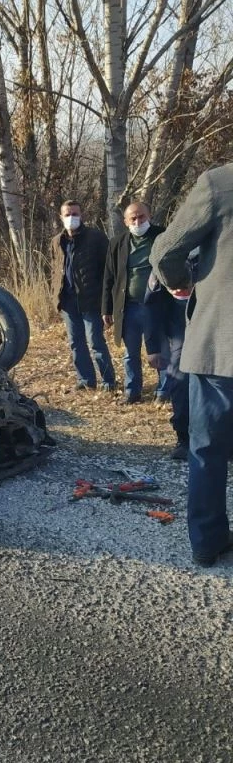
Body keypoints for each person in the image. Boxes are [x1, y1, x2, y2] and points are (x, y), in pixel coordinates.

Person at [150, 164, 233, 567]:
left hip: (221, 346)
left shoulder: (220, 184)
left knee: (207, 449)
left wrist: (179, 281)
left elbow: (165, 251)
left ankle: (207, 540)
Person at [102, 202, 165, 403]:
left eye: (142, 217)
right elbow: (109, 278)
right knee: (131, 352)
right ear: (125, 221)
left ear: (149, 215)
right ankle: (132, 391)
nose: (138, 222)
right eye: (133, 219)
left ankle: (164, 391)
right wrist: (107, 308)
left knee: (160, 350)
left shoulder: (162, 237)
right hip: (128, 307)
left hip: (156, 305)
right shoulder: (117, 243)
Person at [51, 200, 116, 391]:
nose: (72, 218)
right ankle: (85, 380)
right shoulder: (57, 241)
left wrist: (107, 303)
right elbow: (55, 270)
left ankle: (108, 381)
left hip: (91, 301)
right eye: (68, 214)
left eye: (75, 214)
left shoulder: (96, 238)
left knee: (96, 342)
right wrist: (55, 297)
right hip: (68, 301)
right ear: (61, 217)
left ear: (82, 215)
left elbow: (108, 271)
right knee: (76, 343)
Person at [143, 270, 189, 459]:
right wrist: (153, 346)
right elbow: (152, 304)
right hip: (181, 330)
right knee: (180, 381)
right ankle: (184, 438)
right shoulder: (168, 255)